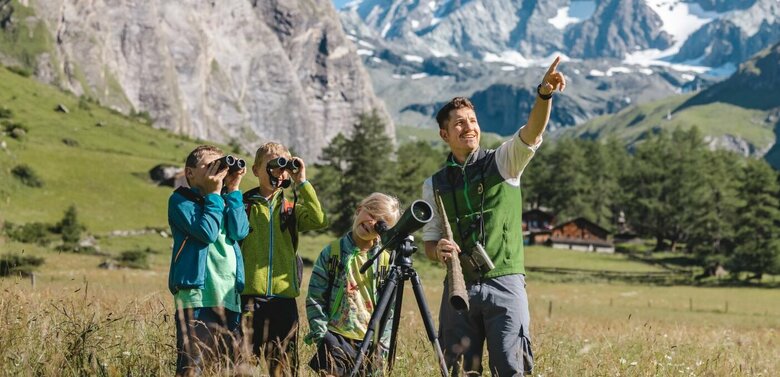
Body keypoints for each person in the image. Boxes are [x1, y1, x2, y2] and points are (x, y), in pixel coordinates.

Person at [422, 57, 566, 376]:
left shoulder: (503, 162)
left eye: (472, 120)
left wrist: (544, 95)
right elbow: (429, 242)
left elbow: (532, 132)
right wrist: (438, 252)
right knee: (460, 369)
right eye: (459, 122)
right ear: (444, 134)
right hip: (458, 287)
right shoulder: (435, 183)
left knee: (511, 367)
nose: (468, 127)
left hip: (506, 283)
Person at [241, 142, 328, 376]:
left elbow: (319, 219)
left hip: (283, 301)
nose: (279, 172)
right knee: (242, 366)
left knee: (284, 370)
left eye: (284, 167)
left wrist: (302, 181)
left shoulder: (291, 209)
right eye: (273, 166)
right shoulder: (243, 206)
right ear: (256, 170)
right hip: (248, 298)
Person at [168, 145, 249, 376]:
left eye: (221, 165)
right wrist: (214, 195)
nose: (218, 171)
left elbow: (240, 231)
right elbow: (207, 233)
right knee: (193, 367)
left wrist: (233, 190)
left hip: (229, 297)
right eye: (210, 165)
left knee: (226, 368)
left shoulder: (224, 200)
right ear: (190, 173)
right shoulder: (181, 201)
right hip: (197, 296)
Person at [305, 192, 400, 376]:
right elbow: (315, 296)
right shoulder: (332, 252)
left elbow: (391, 309)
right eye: (371, 214)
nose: (371, 223)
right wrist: (322, 335)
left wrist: (382, 344)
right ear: (359, 210)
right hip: (335, 336)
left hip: (371, 341)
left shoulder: (386, 261)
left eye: (380, 223)